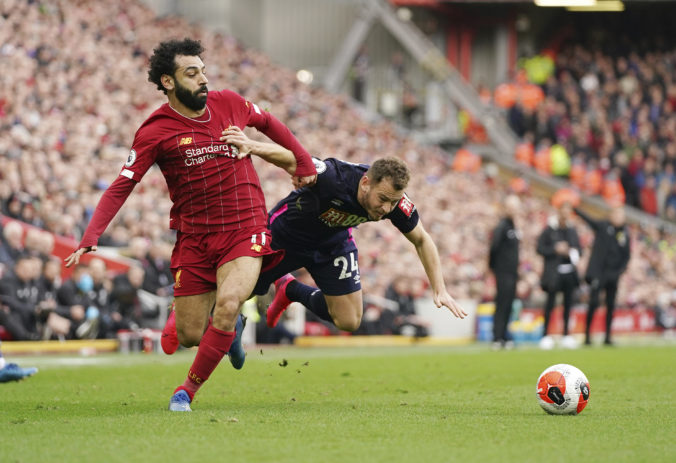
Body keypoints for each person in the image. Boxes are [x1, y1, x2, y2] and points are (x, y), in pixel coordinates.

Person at [64, 38, 317, 412]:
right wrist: (91, 235)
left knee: (230, 302)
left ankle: (186, 391)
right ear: (168, 81)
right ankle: (228, 331)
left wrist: (305, 163)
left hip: (244, 226)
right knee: (188, 335)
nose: (203, 79)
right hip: (195, 237)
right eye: (192, 72)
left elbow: (269, 123)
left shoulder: (229, 103)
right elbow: (123, 183)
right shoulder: (155, 130)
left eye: (203, 70)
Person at [171, 129, 466, 335]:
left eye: (392, 202)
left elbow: (422, 240)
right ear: (366, 183)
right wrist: (251, 145)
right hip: (286, 234)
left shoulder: (396, 203)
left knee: (350, 320)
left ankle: (291, 289)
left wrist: (439, 288)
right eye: (383, 200)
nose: (387, 209)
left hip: (333, 242)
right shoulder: (333, 177)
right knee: (240, 291)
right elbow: (292, 158)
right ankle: (187, 316)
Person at [574, 206, 631, 346]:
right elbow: (588, 219)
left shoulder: (624, 233)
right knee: (593, 303)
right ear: (611, 215)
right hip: (599, 273)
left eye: (621, 215)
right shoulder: (603, 226)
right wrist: (576, 208)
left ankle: (607, 336)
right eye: (617, 214)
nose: (619, 217)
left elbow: (626, 255)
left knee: (611, 305)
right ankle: (587, 335)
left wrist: (620, 271)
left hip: (613, 274)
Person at [536, 202, 581, 350]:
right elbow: (540, 248)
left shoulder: (572, 230)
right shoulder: (550, 230)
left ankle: (566, 334)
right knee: (550, 304)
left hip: (569, 272)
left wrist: (571, 252)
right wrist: (555, 249)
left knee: (568, 304)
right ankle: (546, 334)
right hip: (554, 273)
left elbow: (579, 250)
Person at [488, 195, 521, 350]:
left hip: (513, 272)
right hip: (503, 272)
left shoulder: (513, 226)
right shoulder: (502, 226)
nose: (513, 210)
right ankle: (497, 336)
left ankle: (505, 335)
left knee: (509, 304)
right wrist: (493, 268)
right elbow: (493, 248)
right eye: (511, 207)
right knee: (501, 303)